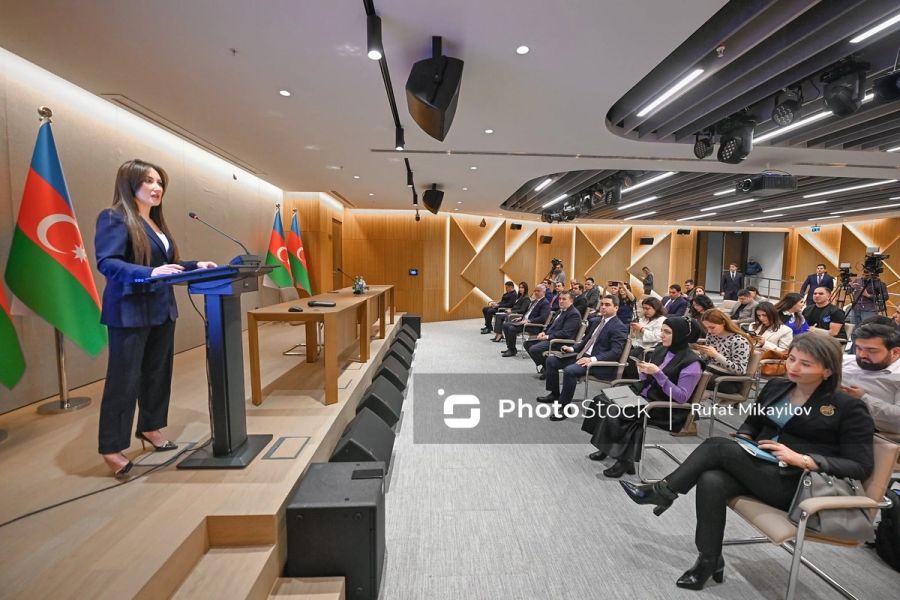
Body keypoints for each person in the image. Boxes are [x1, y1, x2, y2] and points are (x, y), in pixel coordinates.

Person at [621, 334, 874, 591]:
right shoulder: (777, 387)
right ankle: (708, 560)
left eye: (805, 364)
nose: (794, 367)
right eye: (792, 359)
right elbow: (752, 423)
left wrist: (804, 460)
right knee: (711, 479)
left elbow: (861, 466)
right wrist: (744, 438)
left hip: (797, 485)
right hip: (762, 467)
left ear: (828, 371)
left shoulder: (848, 407)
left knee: (716, 446)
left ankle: (663, 491)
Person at [95, 159, 217, 479]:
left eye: (160, 182)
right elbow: (108, 263)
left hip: (162, 309)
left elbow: (166, 266)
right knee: (124, 380)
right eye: (148, 181)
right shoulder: (114, 217)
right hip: (130, 312)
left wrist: (195, 265)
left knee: (157, 373)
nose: (156, 187)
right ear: (129, 184)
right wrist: (149, 273)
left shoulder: (155, 223)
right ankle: (111, 446)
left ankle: (150, 427)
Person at [583, 317, 704, 477]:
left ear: (680, 335)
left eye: (667, 332)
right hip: (647, 394)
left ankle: (625, 461)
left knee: (622, 412)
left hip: (666, 407)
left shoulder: (692, 363)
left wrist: (658, 374)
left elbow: (681, 397)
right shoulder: (661, 350)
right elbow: (647, 380)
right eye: (661, 330)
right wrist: (643, 372)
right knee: (602, 401)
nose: (661, 335)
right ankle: (607, 447)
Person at [539, 295, 628, 422]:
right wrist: (572, 349)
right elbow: (586, 341)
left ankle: (564, 407)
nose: (603, 307)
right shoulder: (597, 321)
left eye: (607, 305)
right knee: (551, 360)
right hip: (583, 356)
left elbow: (615, 352)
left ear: (616, 308)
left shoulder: (619, 326)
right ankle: (554, 394)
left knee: (570, 371)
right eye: (602, 304)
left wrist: (592, 359)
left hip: (600, 363)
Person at [840, 322, 900, 435]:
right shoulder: (847, 361)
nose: (862, 355)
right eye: (858, 348)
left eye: (871, 350)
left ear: (895, 352)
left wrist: (863, 398)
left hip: (869, 432)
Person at [695, 309, 753, 394]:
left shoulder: (739, 341)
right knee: (685, 372)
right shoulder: (711, 335)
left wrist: (716, 355)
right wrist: (704, 354)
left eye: (712, 327)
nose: (709, 331)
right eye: (706, 328)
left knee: (690, 377)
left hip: (729, 380)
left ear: (723, 323)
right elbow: (709, 360)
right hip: (712, 371)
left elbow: (740, 370)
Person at [524, 291, 582, 370]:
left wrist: (547, 337)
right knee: (527, 343)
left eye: (564, 299)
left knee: (534, 349)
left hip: (559, 342)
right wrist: (544, 332)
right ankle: (546, 367)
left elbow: (566, 333)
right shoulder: (561, 310)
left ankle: (547, 368)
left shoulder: (573, 314)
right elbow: (551, 324)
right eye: (560, 299)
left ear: (571, 301)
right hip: (551, 337)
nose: (561, 301)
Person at [623, 297, 667, 378]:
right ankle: (622, 373)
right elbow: (636, 336)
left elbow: (657, 336)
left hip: (650, 346)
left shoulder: (662, 320)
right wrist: (634, 329)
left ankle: (633, 377)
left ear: (656, 308)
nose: (645, 311)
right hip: (638, 343)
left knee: (631, 355)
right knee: (622, 347)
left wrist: (642, 329)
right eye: (643, 308)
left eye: (648, 309)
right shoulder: (644, 318)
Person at [501, 285, 550, 355]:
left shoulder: (545, 303)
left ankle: (512, 350)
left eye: (538, 291)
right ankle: (510, 347)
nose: (536, 292)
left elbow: (542, 318)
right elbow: (528, 313)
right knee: (505, 325)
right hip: (525, 322)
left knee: (512, 328)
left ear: (544, 292)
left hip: (533, 326)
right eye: (535, 291)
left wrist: (529, 321)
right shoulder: (534, 301)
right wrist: (521, 318)